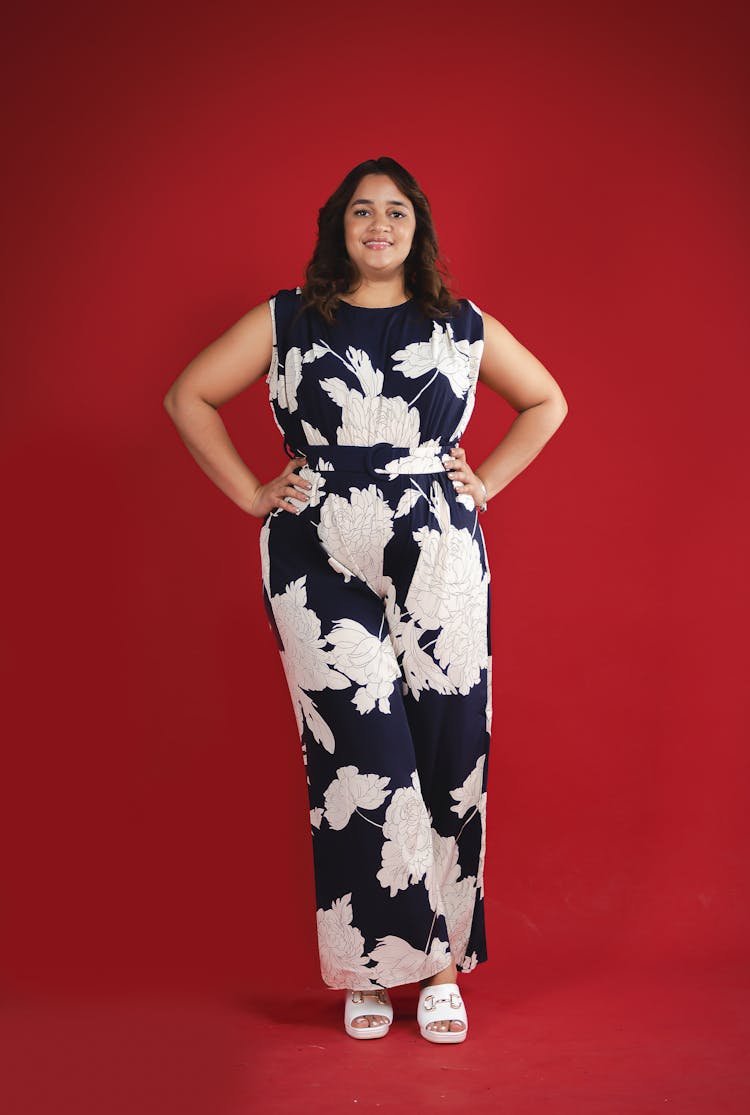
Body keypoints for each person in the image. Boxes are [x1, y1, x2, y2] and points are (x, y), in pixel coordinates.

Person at [163, 156, 568, 1044]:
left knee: (449, 746)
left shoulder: (459, 325)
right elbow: (187, 394)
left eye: (394, 211)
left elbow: (546, 400)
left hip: (440, 553)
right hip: (314, 550)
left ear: (417, 226)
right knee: (358, 756)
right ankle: (370, 967)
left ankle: (442, 968)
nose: (378, 225)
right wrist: (246, 492)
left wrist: (484, 480)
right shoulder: (286, 319)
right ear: (337, 227)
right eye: (361, 212)